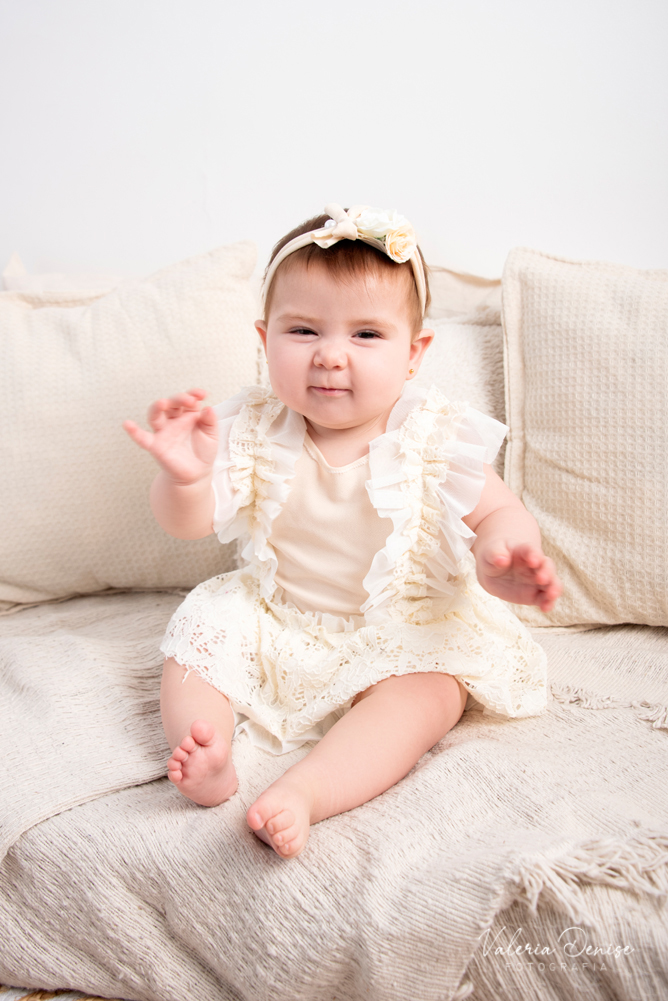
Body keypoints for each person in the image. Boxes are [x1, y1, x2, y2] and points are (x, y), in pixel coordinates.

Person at [123, 203, 561, 859]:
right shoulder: (255, 428)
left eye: (365, 334)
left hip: (401, 631)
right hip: (277, 614)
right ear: (264, 338)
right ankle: (208, 752)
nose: (330, 355)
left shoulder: (433, 438)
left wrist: (504, 553)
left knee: (430, 692)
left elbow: (497, 512)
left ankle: (311, 788)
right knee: (197, 638)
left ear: (414, 354)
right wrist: (185, 477)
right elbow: (186, 523)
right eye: (303, 330)